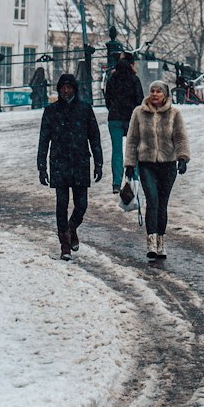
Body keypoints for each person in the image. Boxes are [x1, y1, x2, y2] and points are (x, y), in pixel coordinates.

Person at [37, 72, 103, 260]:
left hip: (80, 161)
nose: (66, 90)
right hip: (59, 162)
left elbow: (94, 137)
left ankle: (72, 226)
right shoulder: (51, 111)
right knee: (61, 204)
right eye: (63, 87)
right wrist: (41, 166)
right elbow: (43, 140)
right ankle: (64, 243)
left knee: (82, 204)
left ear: (75, 88)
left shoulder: (84, 109)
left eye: (69, 87)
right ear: (59, 89)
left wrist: (98, 162)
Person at [124, 79, 190, 261]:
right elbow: (132, 140)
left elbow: (180, 137)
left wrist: (183, 158)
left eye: (158, 91)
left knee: (162, 203)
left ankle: (161, 241)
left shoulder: (174, 114)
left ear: (165, 94)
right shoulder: (139, 113)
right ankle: (151, 242)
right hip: (146, 164)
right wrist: (129, 164)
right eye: (152, 91)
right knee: (152, 201)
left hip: (168, 164)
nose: (154, 94)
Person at [104, 50, 144, 193]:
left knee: (117, 151)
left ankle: (116, 183)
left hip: (115, 118)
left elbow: (107, 99)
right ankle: (134, 177)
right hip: (131, 118)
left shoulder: (112, 80)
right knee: (133, 150)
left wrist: (114, 109)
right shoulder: (134, 80)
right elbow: (140, 100)